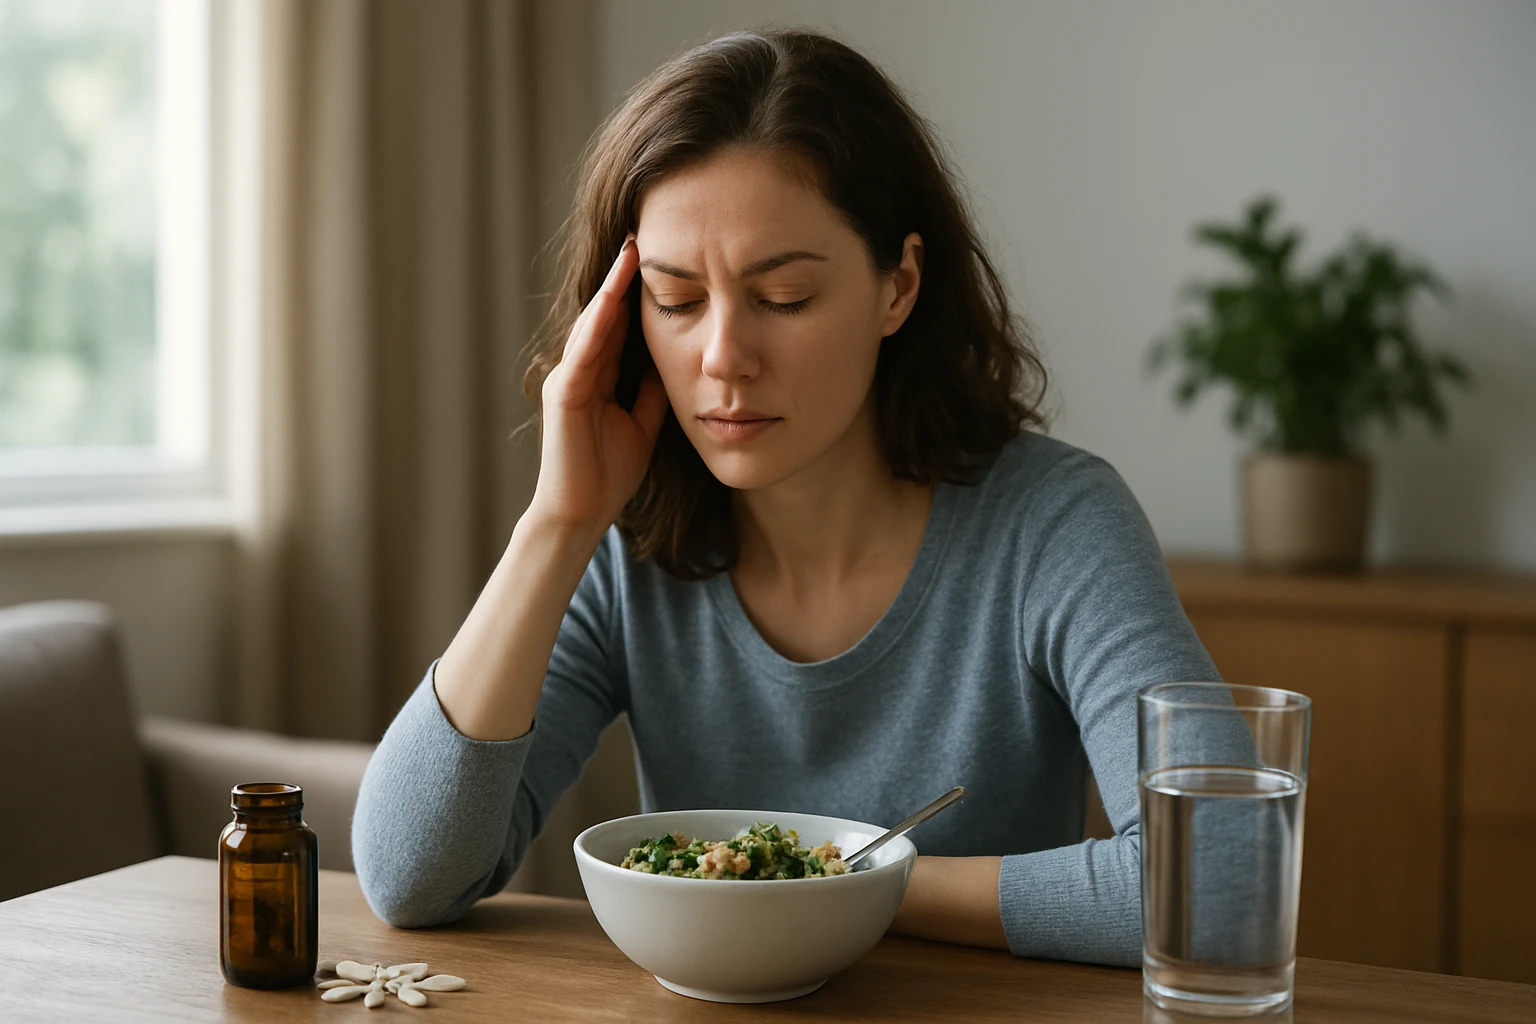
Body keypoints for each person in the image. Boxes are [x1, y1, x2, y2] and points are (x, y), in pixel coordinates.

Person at [352, 28, 1218, 968]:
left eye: (786, 297)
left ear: (899, 285)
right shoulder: (627, 541)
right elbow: (408, 879)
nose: (722, 357)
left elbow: (1216, 877)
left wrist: (830, 880)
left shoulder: (1055, 525)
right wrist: (556, 525)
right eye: (676, 301)